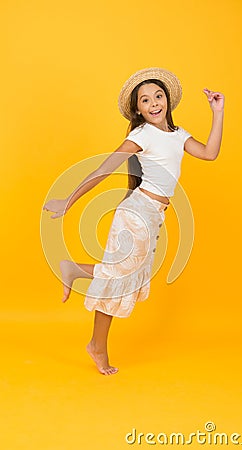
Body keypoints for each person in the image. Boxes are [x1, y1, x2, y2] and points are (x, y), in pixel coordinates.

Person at [43, 67, 224, 376]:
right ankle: (96, 346)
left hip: (152, 217)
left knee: (128, 277)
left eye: (158, 96)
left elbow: (209, 153)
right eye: (145, 100)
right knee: (117, 283)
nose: (154, 103)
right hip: (136, 215)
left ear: (167, 99)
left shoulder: (178, 135)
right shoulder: (141, 135)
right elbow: (103, 169)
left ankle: (73, 270)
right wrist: (68, 201)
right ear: (137, 110)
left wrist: (218, 113)